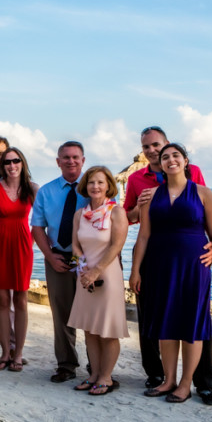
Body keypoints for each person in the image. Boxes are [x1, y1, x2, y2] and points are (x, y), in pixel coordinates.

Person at [123, 126, 212, 404]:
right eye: (147, 148)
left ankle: (203, 384)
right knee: (156, 320)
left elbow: (204, 212)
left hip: (190, 262)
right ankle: (160, 377)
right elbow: (130, 219)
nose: (152, 151)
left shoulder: (194, 174)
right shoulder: (136, 180)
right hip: (157, 261)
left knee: (195, 323)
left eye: (157, 146)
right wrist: (137, 207)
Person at [67, 166, 129, 395]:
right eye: (92, 182)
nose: (96, 186)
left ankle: (106, 377)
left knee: (107, 329)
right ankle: (93, 374)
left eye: (101, 182)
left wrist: (96, 271)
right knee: (90, 329)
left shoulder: (116, 212)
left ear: (108, 186)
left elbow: (116, 245)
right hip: (84, 276)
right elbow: (75, 245)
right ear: (86, 186)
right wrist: (82, 270)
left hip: (108, 276)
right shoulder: (79, 214)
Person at [30, 140, 88, 383]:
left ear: (83, 160)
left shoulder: (95, 187)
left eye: (75, 157)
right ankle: (66, 364)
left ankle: (98, 366)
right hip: (58, 258)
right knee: (61, 315)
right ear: (58, 161)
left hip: (89, 260)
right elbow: (37, 227)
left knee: (92, 315)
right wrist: (49, 256)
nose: (71, 161)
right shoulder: (47, 191)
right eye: (66, 157)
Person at [0, 147, 37, 372]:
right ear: (3, 166)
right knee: (2, 300)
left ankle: (19, 354)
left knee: (22, 301)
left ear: (23, 162)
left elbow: (44, 220)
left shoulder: (33, 189)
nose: (12, 165)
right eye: (7, 162)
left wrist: (34, 242)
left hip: (22, 247)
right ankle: (5, 352)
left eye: (16, 160)